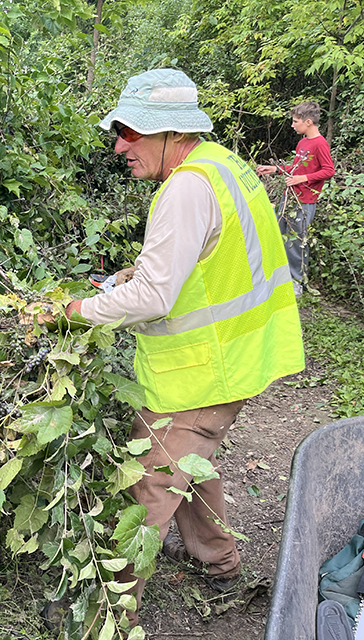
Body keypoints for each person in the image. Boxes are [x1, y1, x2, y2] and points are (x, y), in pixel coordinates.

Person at [64, 69, 305, 630]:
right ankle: (216, 558)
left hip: (204, 371)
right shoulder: (222, 165)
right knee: (190, 460)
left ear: (170, 132)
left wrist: (78, 312)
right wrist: (135, 273)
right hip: (234, 360)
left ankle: (107, 610)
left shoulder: (185, 189)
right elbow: (201, 260)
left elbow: (155, 295)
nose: (120, 144)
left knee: (148, 483)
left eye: (130, 132)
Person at [256, 102, 335, 296]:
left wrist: (303, 178)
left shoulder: (320, 143)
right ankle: (281, 278)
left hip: (305, 201)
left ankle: (297, 282)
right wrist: (275, 170)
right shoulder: (302, 142)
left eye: (295, 121)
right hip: (288, 198)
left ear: (308, 122)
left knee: (296, 242)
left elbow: (329, 170)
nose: (292, 125)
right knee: (280, 237)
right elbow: (297, 168)